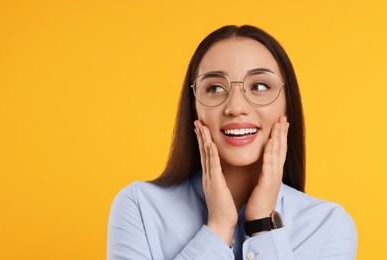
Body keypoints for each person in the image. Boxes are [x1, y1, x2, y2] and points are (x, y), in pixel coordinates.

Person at [107, 25, 357, 259]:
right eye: (215, 88)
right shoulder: (139, 207)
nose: (236, 107)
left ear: (287, 105)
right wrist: (218, 227)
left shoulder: (329, 225)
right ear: (193, 108)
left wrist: (262, 224)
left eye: (259, 86)